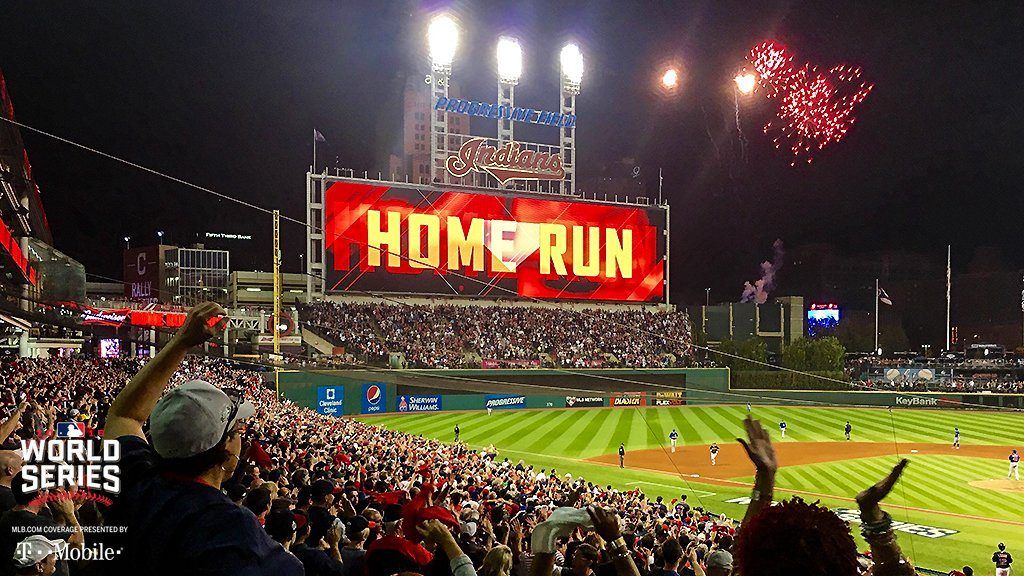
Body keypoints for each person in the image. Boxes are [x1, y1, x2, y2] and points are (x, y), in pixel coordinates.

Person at [93, 302, 302, 575]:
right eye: (237, 431)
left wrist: (181, 341)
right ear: (226, 448)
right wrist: (182, 341)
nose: (242, 437)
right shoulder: (232, 527)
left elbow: (125, 416)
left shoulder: (135, 483)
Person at [734, 415, 919, 576]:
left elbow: (745, 555)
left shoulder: (751, 564)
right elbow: (895, 570)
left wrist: (765, 480)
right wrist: (873, 516)